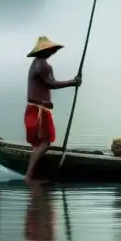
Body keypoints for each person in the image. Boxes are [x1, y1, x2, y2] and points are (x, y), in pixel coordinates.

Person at [24, 36, 81, 185]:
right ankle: (29, 176)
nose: (52, 52)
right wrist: (72, 82)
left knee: (40, 143)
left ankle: (32, 175)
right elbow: (51, 84)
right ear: (44, 50)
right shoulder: (42, 65)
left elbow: (51, 82)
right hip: (38, 111)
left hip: (36, 109)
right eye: (50, 50)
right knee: (45, 142)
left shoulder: (40, 64)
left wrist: (72, 82)